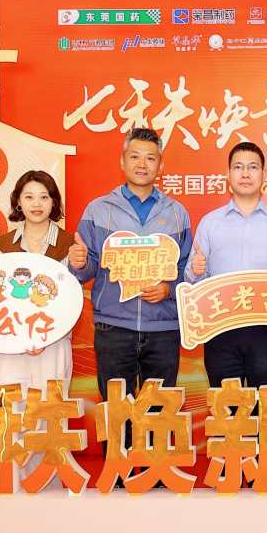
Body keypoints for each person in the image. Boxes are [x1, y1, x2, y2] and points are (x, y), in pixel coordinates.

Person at [70, 127, 192, 404]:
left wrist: (169, 288)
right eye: (135, 156)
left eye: (150, 158)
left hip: (163, 327)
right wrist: (79, 263)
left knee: (159, 414)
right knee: (116, 414)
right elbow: (87, 269)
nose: (142, 164)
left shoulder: (177, 212)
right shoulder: (98, 209)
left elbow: (186, 267)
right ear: (122, 162)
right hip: (113, 327)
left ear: (160, 166)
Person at [186, 142, 267, 396]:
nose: (245, 173)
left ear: (264, 174)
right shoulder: (210, 223)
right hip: (219, 328)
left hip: (266, 331)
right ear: (228, 174)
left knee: (263, 408)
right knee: (226, 408)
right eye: (238, 167)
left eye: (253, 167)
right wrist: (196, 270)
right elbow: (191, 279)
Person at [0, 171, 85, 392]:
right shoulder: (2, 246)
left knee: (52, 410)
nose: (36, 203)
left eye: (44, 197)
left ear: (54, 202)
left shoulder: (70, 244)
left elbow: (72, 300)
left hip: (53, 343)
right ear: (18, 202)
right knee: (9, 411)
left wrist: (45, 336)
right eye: (29, 197)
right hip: (8, 344)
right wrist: (19, 336)